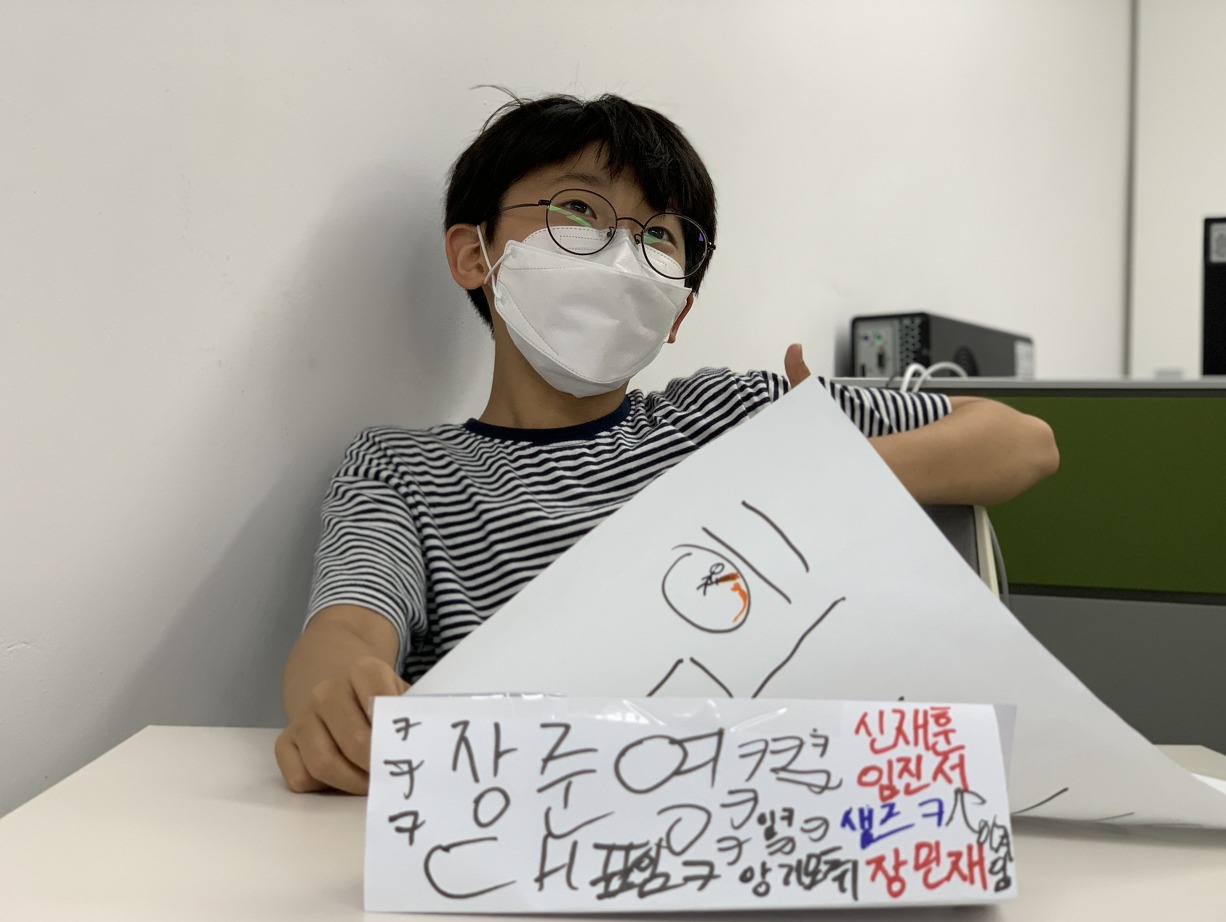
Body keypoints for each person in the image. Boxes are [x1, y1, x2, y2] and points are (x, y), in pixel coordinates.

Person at [274, 93, 1059, 794]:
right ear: (474, 253)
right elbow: (349, 627)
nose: (623, 255)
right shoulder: (405, 469)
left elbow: (1022, 442)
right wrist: (340, 704)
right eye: (579, 211)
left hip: (753, 811)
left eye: (658, 235)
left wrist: (826, 473)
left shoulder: (731, 414)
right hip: (529, 827)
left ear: (676, 310)